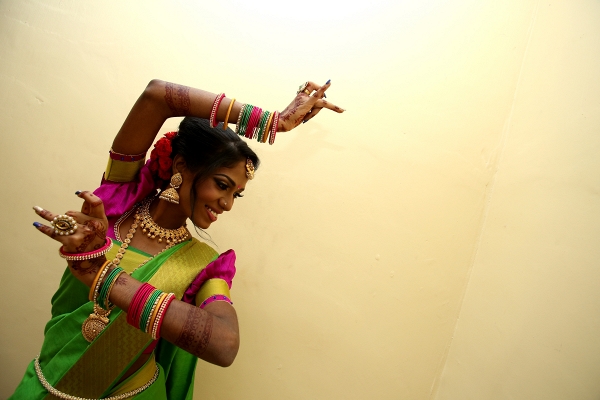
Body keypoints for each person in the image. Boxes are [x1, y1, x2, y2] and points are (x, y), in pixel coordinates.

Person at [10, 79, 343, 399]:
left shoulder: (204, 265)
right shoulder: (115, 203)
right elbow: (157, 95)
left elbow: (224, 344)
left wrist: (106, 276)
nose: (227, 204)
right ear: (181, 165)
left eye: (236, 195)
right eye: (223, 185)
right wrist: (272, 122)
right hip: (47, 385)